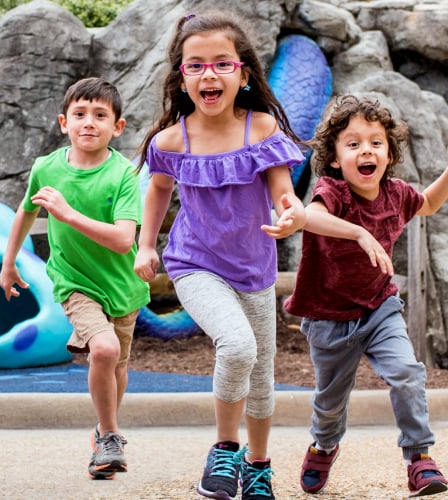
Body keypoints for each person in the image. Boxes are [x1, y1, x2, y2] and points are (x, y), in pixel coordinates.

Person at [133, 12, 309, 500]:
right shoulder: (171, 140)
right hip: (195, 263)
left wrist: (291, 213)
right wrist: (147, 244)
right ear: (181, 78)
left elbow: (283, 192)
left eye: (221, 63)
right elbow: (158, 190)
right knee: (237, 346)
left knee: (262, 376)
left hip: (254, 269)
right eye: (196, 65)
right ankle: (226, 450)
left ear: (243, 73)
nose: (208, 74)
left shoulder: (262, 129)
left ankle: (259, 465)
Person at [284, 95, 448, 497]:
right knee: (330, 402)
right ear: (336, 159)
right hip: (329, 315)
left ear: (389, 154)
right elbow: (310, 217)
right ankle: (324, 445)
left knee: (407, 372)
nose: (366, 150)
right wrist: (358, 232)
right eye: (353, 144)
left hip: (379, 308)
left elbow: (429, 204)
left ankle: (419, 459)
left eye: (375, 142)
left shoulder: (397, 194)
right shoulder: (332, 191)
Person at [0, 77, 150, 480]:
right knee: (104, 349)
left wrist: (67, 214)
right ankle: (112, 435)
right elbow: (26, 211)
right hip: (74, 281)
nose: (89, 122)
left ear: (117, 127)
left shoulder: (124, 174)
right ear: (64, 122)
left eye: (100, 115)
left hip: (122, 285)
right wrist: (8, 262)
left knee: (117, 365)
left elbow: (123, 240)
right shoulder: (46, 168)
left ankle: (102, 434)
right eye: (80, 114)